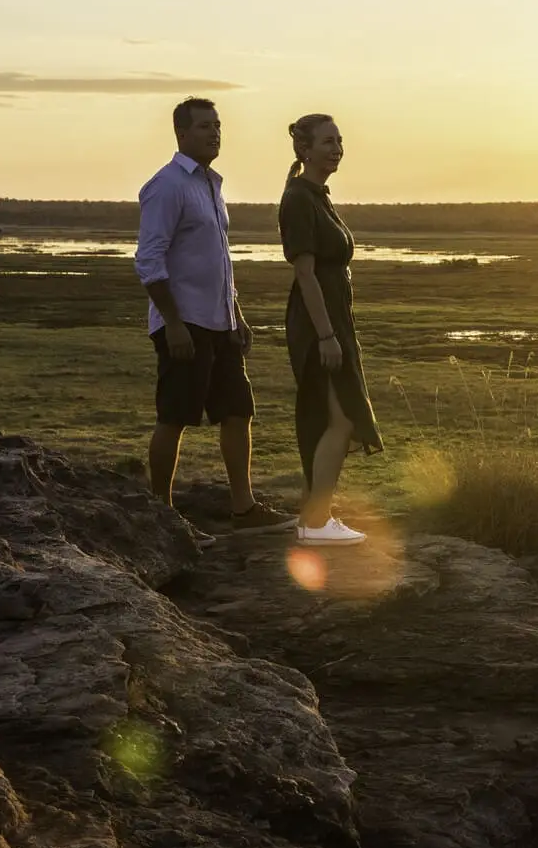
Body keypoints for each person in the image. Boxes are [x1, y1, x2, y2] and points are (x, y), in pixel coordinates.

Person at [135, 96, 296, 543]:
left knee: (237, 410)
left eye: (218, 126)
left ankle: (243, 509)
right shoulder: (167, 186)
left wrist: (237, 313)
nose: (214, 133)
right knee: (175, 415)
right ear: (181, 134)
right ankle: (162, 516)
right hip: (184, 324)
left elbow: (217, 260)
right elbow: (149, 261)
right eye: (204, 126)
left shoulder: (212, 185)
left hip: (220, 322)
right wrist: (174, 323)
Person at [278, 113, 383, 546]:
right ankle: (317, 523)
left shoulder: (318, 195)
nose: (336, 148)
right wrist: (325, 335)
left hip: (333, 320)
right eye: (327, 141)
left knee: (329, 418)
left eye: (339, 140)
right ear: (305, 149)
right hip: (317, 322)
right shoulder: (299, 199)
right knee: (340, 420)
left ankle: (310, 516)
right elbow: (306, 274)